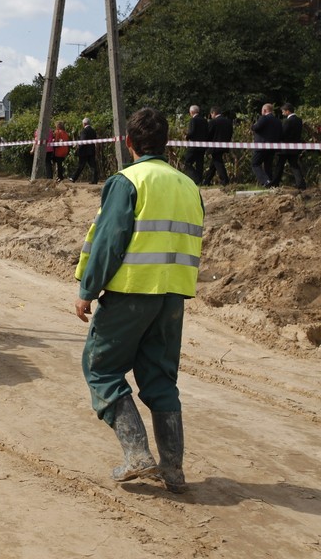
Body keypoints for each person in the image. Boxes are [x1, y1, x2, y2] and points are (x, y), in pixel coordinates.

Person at [73, 107, 204, 493]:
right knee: (160, 379)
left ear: (128, 143)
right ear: (166, 144)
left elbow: (109, 242)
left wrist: (87, 290)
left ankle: (137, 455)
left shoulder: (127, 181)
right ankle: (173, 471)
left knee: (102, 370)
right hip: (172, 296)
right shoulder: (188, 185)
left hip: (131, 292)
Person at [271, 103, 307, 190]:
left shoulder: (287, 121)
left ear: (287, 111)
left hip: (285, 148)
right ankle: (301, 184)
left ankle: (275, 183)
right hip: (295, 147)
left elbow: (283, 133)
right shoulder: (299, 120)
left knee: (279, 166)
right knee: (294, 166)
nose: (283, 113)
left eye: (283, 111)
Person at [251, 103, 281, 188]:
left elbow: (255, 128)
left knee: (255, 163)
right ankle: (271, 184)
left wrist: (253, 125)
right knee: (268, 165)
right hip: (273, 147)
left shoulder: (264, 118)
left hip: (262, 145)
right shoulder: (277, 120)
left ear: (264, 110)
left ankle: (266, 181)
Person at [201, 107, 232, 186]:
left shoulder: (213, 122)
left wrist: (205, 145)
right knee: (214, 163)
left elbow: (209, 134)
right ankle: (206, 181)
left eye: (211, 114)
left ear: (213, 113)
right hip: (224, 145)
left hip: (215, 146)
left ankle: (225, 180)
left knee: (218, 162)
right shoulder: (228, 121)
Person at [183, 105, 209, 184]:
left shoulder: (193, 120)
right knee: (199, 164)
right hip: (202, 146)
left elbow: (192, 132)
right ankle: (200, 180)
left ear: (191, 112)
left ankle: (195, 178)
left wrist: (186, 136)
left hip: (194, 146)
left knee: (187, 163)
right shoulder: (204, 120)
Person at [69, 117, 100, 184]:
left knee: (80, 165)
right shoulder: (93, 131)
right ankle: (95, 180)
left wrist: (78, 148)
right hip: (91, 151)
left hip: (84, 151)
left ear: (84, 123)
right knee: (93, 166)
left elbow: (82, 141)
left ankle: (73, 178)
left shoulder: (84, 131)